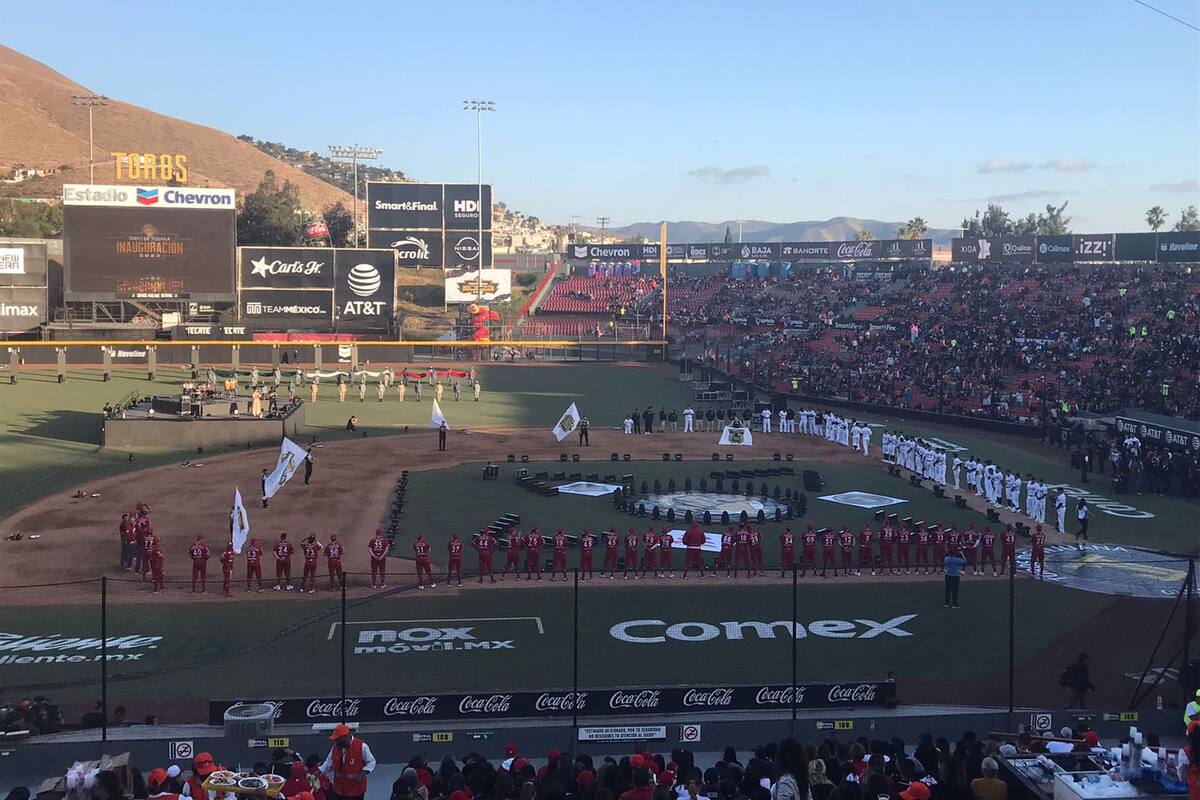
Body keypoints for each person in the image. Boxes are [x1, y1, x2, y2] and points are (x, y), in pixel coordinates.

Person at [321, 723, 376, 800]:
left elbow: (371, 762)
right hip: (338, 790)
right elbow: (328, 763)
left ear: (345, 737)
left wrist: (363, 773)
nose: (336, 741)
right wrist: (319, 771)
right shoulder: (335, 747)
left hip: (356, 791)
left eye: (337, 739)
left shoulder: (361, 746)